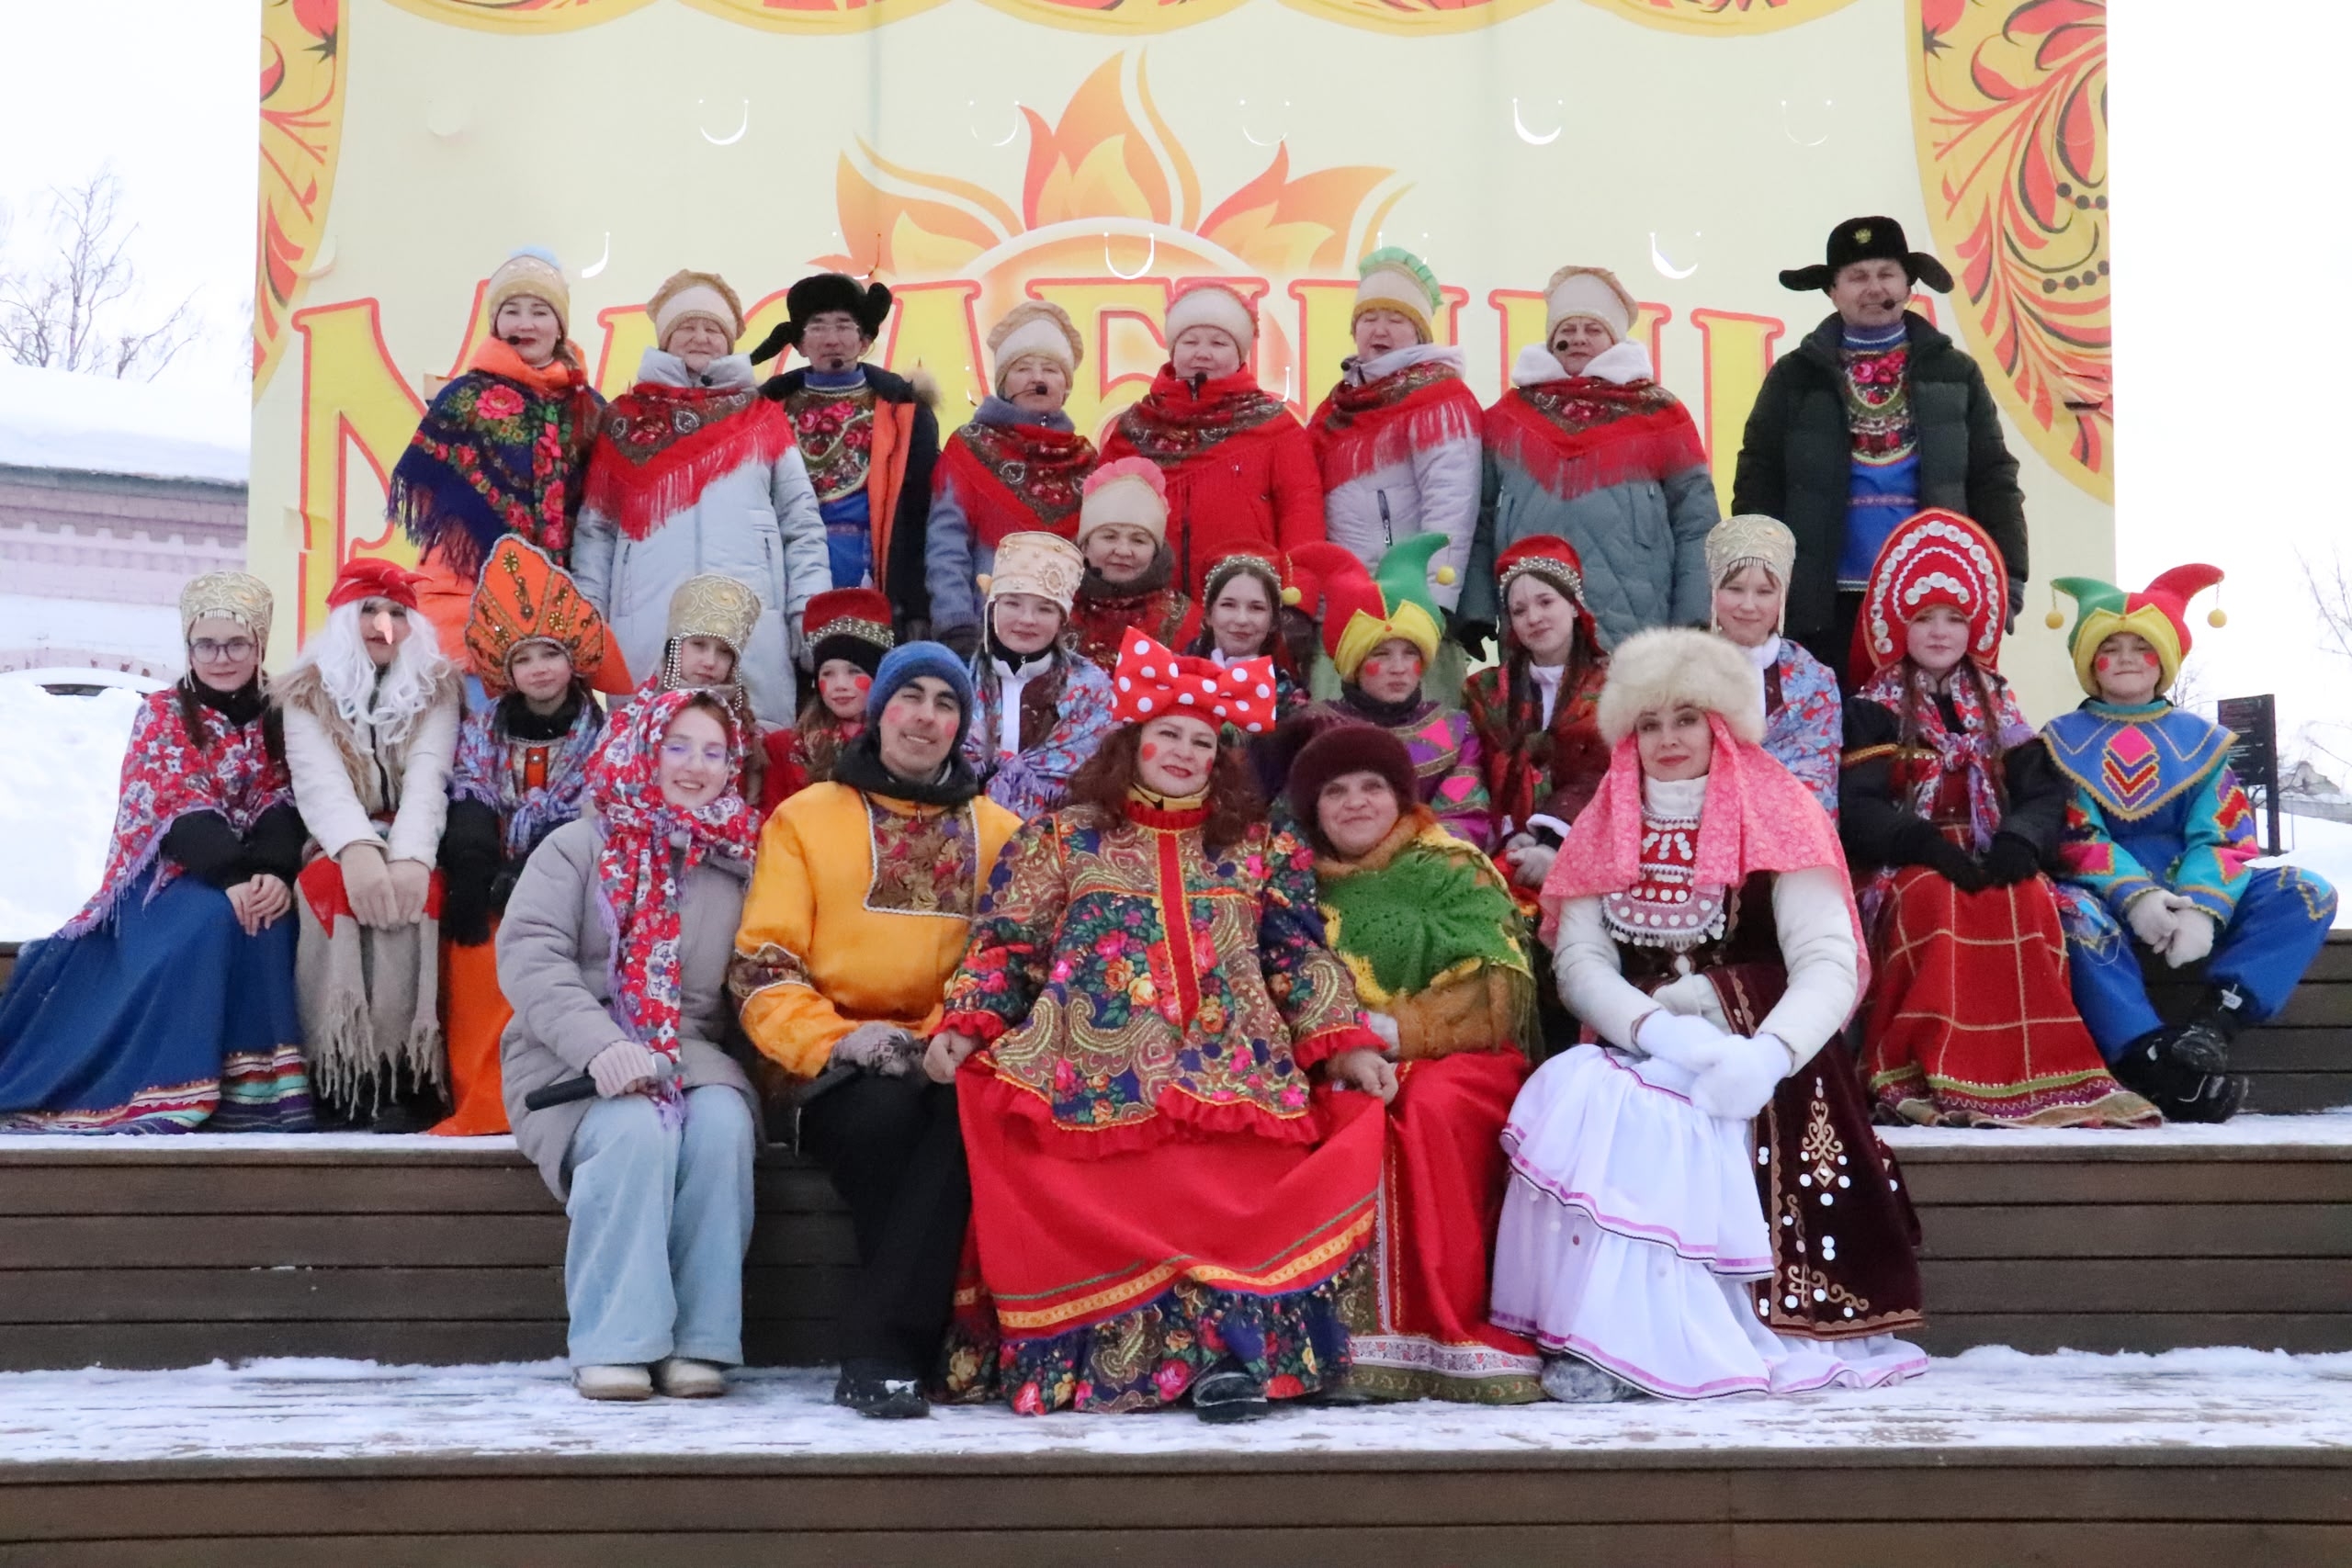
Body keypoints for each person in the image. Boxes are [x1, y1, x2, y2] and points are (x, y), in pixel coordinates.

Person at [931, 630, 1384, 1421]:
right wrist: (968, 1021)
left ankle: (1227, 1362)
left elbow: (1295, 952)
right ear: (1132, 742)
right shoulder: (1062, 837)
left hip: (1235, 1076)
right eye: (1168, 734)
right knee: (1085, 1181)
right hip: (1089, 1076)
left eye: (1202, 741)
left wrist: (1343, 1041)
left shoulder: (1261, 845)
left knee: (1246, 1183)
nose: (1183, 752)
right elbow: (1008, 942)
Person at [1493, 627, 1927, 1401]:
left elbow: (1828, 962)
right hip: (1641, 1046)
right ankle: (1612, 1339)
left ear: (1721, 722)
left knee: (1690, 1125)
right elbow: (1581, 963)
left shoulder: (1780, 810)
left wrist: (1766, 1053)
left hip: (1765, 1060)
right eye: (1649, 723)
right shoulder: (1604, 820)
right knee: (1588, 1097)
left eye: (1686, 718)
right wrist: (1658, 1030)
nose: (1667, 738)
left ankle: (1699, 1335)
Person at [731, 643, 1022, 1418]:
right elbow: (763, 967)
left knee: (962, 1116)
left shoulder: (1000, 831)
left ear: (962, 725)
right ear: (878, 711)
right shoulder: (805, 817)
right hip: (829, 1063)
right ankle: (897, 1346)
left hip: (951, 1051)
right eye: (910, 697)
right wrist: (840, 1042)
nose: (925, 716)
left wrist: (947, 1035)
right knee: (888, 1118)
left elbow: (1006, 957)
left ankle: (882, 1351)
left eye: (946, 703)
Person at [1839, 512, 2154, 1128]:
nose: (1939, 631)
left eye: (1954, 618)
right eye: (1924, 617)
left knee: (2030, 898)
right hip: (1908, 857)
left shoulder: (1999, 702)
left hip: (1990, 846)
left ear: (1974, 627)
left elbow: (2041, 793)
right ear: (1900, 625)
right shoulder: (1872, 707)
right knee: (1932, 900)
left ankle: (2034, 1071)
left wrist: (2019, 840)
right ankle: (1928, 1064)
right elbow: (1859, 805)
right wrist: (1924, 843)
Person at [499, 690, 761, 1401]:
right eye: (678, 746)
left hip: (687, 1053)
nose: (695, 766)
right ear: (644, 748)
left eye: (713, 752)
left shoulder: (736, 861)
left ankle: (701, 1338)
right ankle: (616, 1339)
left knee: (722, 1126)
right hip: (565, 1059)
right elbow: (531, 955)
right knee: (635, 1130)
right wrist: (601, 1045)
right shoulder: (577, 846)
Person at [0, 574, 311, 1133]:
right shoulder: (164, 713)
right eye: (206, 644)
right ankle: (167, 1085)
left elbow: (284, 795)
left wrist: (272, 872)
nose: (220, 658)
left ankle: (258, 1096)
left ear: (260, 646)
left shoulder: (282, 713)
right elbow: (176, 803)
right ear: (188, 648)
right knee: (213, 919)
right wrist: (235, 877)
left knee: (271, 917)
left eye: (235, 644)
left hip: (252, 870)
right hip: (169, 875)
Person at [1289, 723, 1544, 1404]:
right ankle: (1329, 1340)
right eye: (1335, 791)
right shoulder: (1293, 886)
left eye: (1372, 786)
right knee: (1331, 1114)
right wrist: (1337, 1042)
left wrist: (1397, 1031)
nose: (1355, 802)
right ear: (1313, 809)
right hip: (1332, 1056)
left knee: (1424, 1107)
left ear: (1401, 796)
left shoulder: (1452, 865)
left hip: (1460, 1055)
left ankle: (1439, 1323)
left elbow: (1495, 987)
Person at [2045, 568, 2339, 1122]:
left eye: (2142, 647)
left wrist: (2202, 907)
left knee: (2306, 891)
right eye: (2110, 648)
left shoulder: (2202, 743)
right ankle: (2149, 1055)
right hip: (2104, 895)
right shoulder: (2058, 744)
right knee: (2069, 915)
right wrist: (2138, 897)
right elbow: (2078, 836)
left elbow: (2224, 834)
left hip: (2201, 887)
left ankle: (2216, 1021)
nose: (2127, 658)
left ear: (2164, 660)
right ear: (2089, 662)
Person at [1733, 216, 2029, 681]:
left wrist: (2007, 578)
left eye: (1886, 274)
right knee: (1830, 718)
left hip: (1931, 597)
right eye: (1857, 277)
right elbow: (1759, 480)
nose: (1874, 288)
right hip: (1820, 601)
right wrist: (1756, 581)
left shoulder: (1955, 373)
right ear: (1832, 290)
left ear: (1908, 284)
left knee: (1924, 722)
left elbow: (1994, 480)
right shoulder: (1795, 377)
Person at [573, 268, 829, 728]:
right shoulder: (624, 421)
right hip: (646, 621)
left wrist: (807, 612)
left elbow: (801, 523)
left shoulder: (762, 417)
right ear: (665, 338)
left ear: (728, 342)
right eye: (687, 327)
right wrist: (588, 618)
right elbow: (597, 531)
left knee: (752, 744)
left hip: (753, 622)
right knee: (648, 746)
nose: (700, 338)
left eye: (712, 328)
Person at [435, 537, 614, 1136]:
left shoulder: (603, 734)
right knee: (475, 949)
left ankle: (542, 1095)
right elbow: (470, 794)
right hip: (490, 872)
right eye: (524, 658)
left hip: (572, 879)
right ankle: (477, 1096)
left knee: (543, 954)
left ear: (573, 659)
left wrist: (533, 874)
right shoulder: (482, 729)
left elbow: (594, 813)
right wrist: (473, 867)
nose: (538, 668)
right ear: (505, 671)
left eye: (550, 653)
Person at [279, 558, 463, 1132]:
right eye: (370, 611)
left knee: (422, 896)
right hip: (337, 837)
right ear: (344, 619)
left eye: (397, 613)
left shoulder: (437, 688)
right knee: (329, 889)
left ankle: (407, 1071)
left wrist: (410, 858)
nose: (384, 624)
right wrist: (358, 851)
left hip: (414, 831)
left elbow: (430, 775)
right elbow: (319, 781)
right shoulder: (305, 692)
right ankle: (340, 1068)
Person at [1464, 265, 1717, 653]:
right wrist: (1475, 608)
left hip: (1635, 627)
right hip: (1533, 626)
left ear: (1615, 339)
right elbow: (1478, 520)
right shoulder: (1508, 418)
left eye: (1593, 329)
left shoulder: (1661, 416)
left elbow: (1695, 522)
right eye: (1567, 329)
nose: (1579, 338)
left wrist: (1694, 615)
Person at [389, 249, 602, 656]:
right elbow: (434, 496)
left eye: (540, 311)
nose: (525, 324)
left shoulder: (588, 408)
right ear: (496, 324)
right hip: (468, 590)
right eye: (512, 311)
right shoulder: (464, 397)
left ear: (560, 326)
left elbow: (600, 512)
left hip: (558, 602)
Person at [1308, 248, 1481, 692]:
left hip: (1408, 610)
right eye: (1369, 318)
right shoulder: (1336, 407)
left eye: (1395, 318)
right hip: (1346, 610)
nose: (1379, 330)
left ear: (1419, 330)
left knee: (1419, 724)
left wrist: (1434, 602)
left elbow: (1452, 505)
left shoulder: (1439, 398)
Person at [1097, 282, 1324, 593]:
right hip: (1150, 602)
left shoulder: (1275, 427)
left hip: (1244, 606)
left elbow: (1301, 515)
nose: (1202, 353)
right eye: (1190, 342)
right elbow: (1102, 514)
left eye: (1218, 343)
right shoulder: (1136, 426)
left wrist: (1299, 593)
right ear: (1173, 350)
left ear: (1240, 354)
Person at [749, 273, 941, 633]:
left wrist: (917, 606)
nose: (832, 339)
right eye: (818, 327)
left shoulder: (903, 412)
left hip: (871, 570)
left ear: (864, 339)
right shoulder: (765, 412)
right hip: (786, 570)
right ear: (800, 343)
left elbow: (920, 512)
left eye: (843, 326)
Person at [1292, 535, 1492, 850]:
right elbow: (1298, 820)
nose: (1398, 668)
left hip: (1429, 867)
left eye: (1410, 653)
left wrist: (1414, 861)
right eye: (1381, 655)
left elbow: (1464, 815)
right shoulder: (1315, 727)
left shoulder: (1454, 729)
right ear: (1355, 663)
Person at [923, 301, 1098, 656]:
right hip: (984, 630)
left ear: (1065, 385)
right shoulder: (970, 446)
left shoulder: (1085, 458)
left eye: (1050, 369)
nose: (1037, 379)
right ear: (1004, 383)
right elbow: (946, 543)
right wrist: (955, 622)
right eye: (1023, 368)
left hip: (1067, 639)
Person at [1461, 535, 1611, 906]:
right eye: (1519, 610)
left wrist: (1551, 840)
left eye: (1546, 602)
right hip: (1504, 850)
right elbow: (1473, 770)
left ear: (1574, 606)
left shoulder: (1614, 686)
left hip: (1592, 851)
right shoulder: (1485, 691)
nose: (1534, 618)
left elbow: (1610, 775)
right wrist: (1510, 835)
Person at [964, 531, 1116, 821]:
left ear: (1062, 619)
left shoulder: (1091, 691)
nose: (1027, 620)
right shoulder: (958, 682)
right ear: (992, 608)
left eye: (1045, 609)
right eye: (1012, 604)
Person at [1706, 513, 1842, 819]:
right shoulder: (1680, 671)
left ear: (1783, 596)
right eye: (1734, 589)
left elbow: (1817, 781)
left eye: (1764, 592)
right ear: (1713, 591)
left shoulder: (1815, 682)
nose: (1748, 605)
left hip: (1790, 829)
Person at [638, 574, 766, 806]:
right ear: (675, 647)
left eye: (724, 652)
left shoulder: (747, 729)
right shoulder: (634, 718)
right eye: (698, 645)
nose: (710, 661)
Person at [764, 586, 894, 812]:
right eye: (828, 673)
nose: (840, 684)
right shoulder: (782, 747)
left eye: (854, 672)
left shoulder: (899, 743)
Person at [1067, 457, 1198, 672]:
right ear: (1085, 546)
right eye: (1109, 537)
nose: (1123, 551)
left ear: (1155, 551)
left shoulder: (1185, 620)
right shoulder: (1055, 608)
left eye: (1138, 540)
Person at [1183, 552, 1306, 721]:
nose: (1242, 619)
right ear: (1209, 614)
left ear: (1273, 621)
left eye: (1256, 608)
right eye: (1228, 605)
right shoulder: (1176, 675)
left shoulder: (1288, 700)